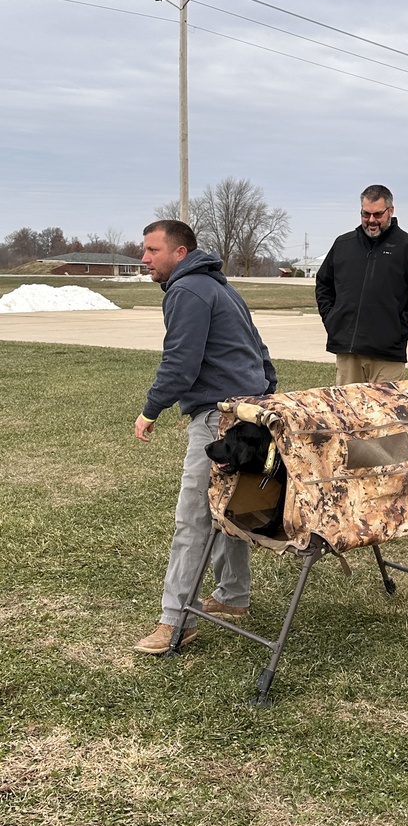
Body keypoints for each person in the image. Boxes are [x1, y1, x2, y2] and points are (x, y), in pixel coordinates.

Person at [133, 220, 278, 654]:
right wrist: (263, 395)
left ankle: (174, 621)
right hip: (247, 411)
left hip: (220, 416)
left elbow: (179, 363)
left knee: (193, 518)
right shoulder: (221, 287)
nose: (145, 259)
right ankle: (232, 596)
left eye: (152, 250)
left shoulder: (187, 291)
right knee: (229, 505)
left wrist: (150, 410)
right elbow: (260, 351)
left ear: (179, 253)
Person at [315, 185, 408, 385]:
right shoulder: (343, 244)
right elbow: (324, 284)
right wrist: (332, 320)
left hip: (387, 355)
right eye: (366, 214)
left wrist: (399, 328)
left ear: (390, 211)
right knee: (348, 413)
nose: (371, 220)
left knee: (384, 415)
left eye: (377, 214)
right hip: (348, 351)